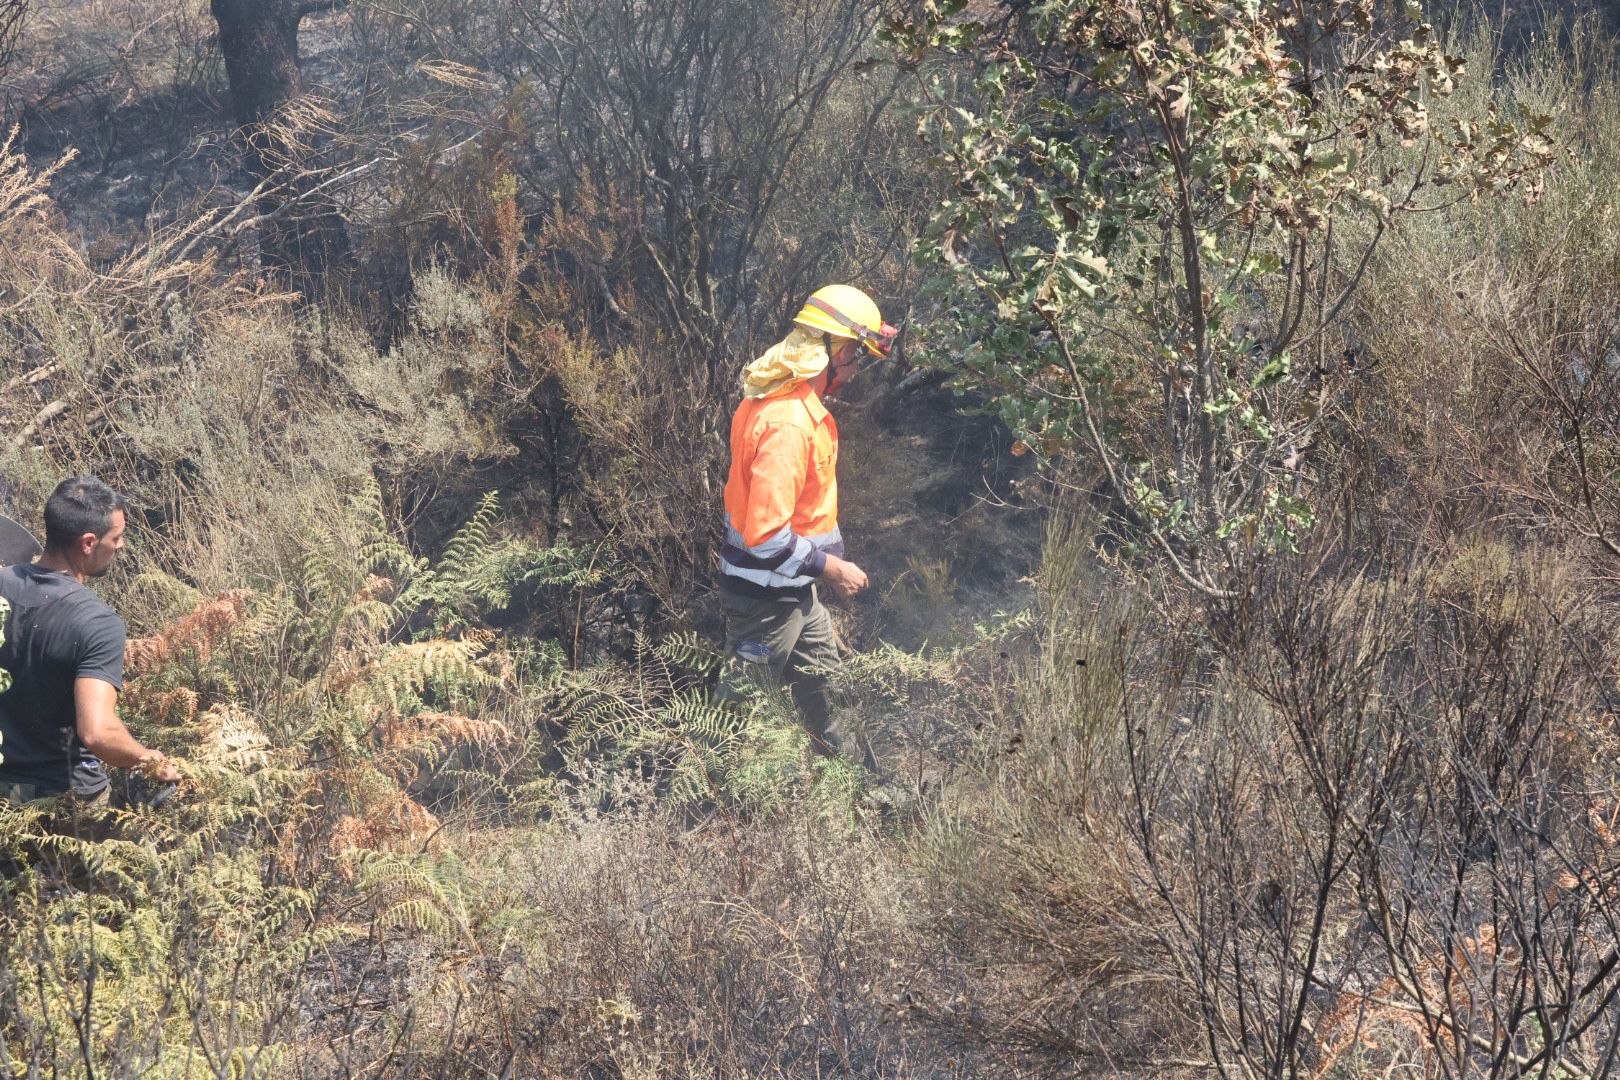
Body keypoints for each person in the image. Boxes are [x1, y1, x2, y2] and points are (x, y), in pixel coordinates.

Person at [718, 284, 897, 770]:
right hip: (764, 603)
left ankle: (862, 792)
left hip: (795, 592)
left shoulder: (786, 404)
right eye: (857, 355)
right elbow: (766, 535)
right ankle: (694, 815)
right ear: (833, 351)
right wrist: (832, 568)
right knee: (734, 720)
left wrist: (818, 573)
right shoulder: (788, 423)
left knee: (831, 701)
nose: (858, 368)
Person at [0, 476, 179, 807]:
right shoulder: (96, 622)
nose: (121, 545)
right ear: (87, 543)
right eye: (117, 537)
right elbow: (97, 732)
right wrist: (151, 760)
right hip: (63, 798)